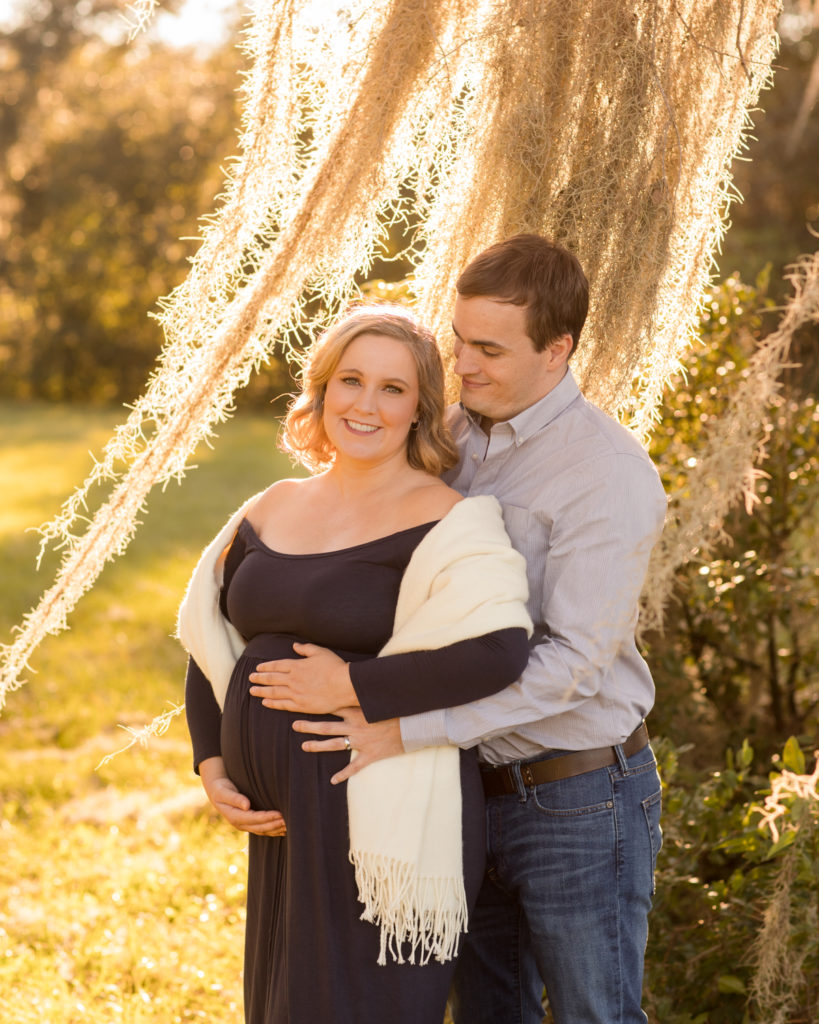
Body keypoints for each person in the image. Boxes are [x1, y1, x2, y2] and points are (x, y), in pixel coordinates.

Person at [253, 235, 668, 1024]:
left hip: (575, 794)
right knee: (484, 1013)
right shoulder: (447, 438)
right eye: (458, 341)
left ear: (557, 350)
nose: (465, 365)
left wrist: (407, 726)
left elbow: (574, 662)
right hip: (465, 792)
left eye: (488, 349)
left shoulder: (606, 475)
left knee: (594, 1016)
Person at [176, 305, 533, 1024]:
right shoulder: (273, 505)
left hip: (371, 816)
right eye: (351, 381)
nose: (365, 405)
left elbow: (498, 650)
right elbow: (207, 638)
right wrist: (212, 764)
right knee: (283, 1007)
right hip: (281, 822)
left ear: (420, 410)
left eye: (392, 389)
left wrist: (351, 685)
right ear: (322, 390)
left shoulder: (449, 518)